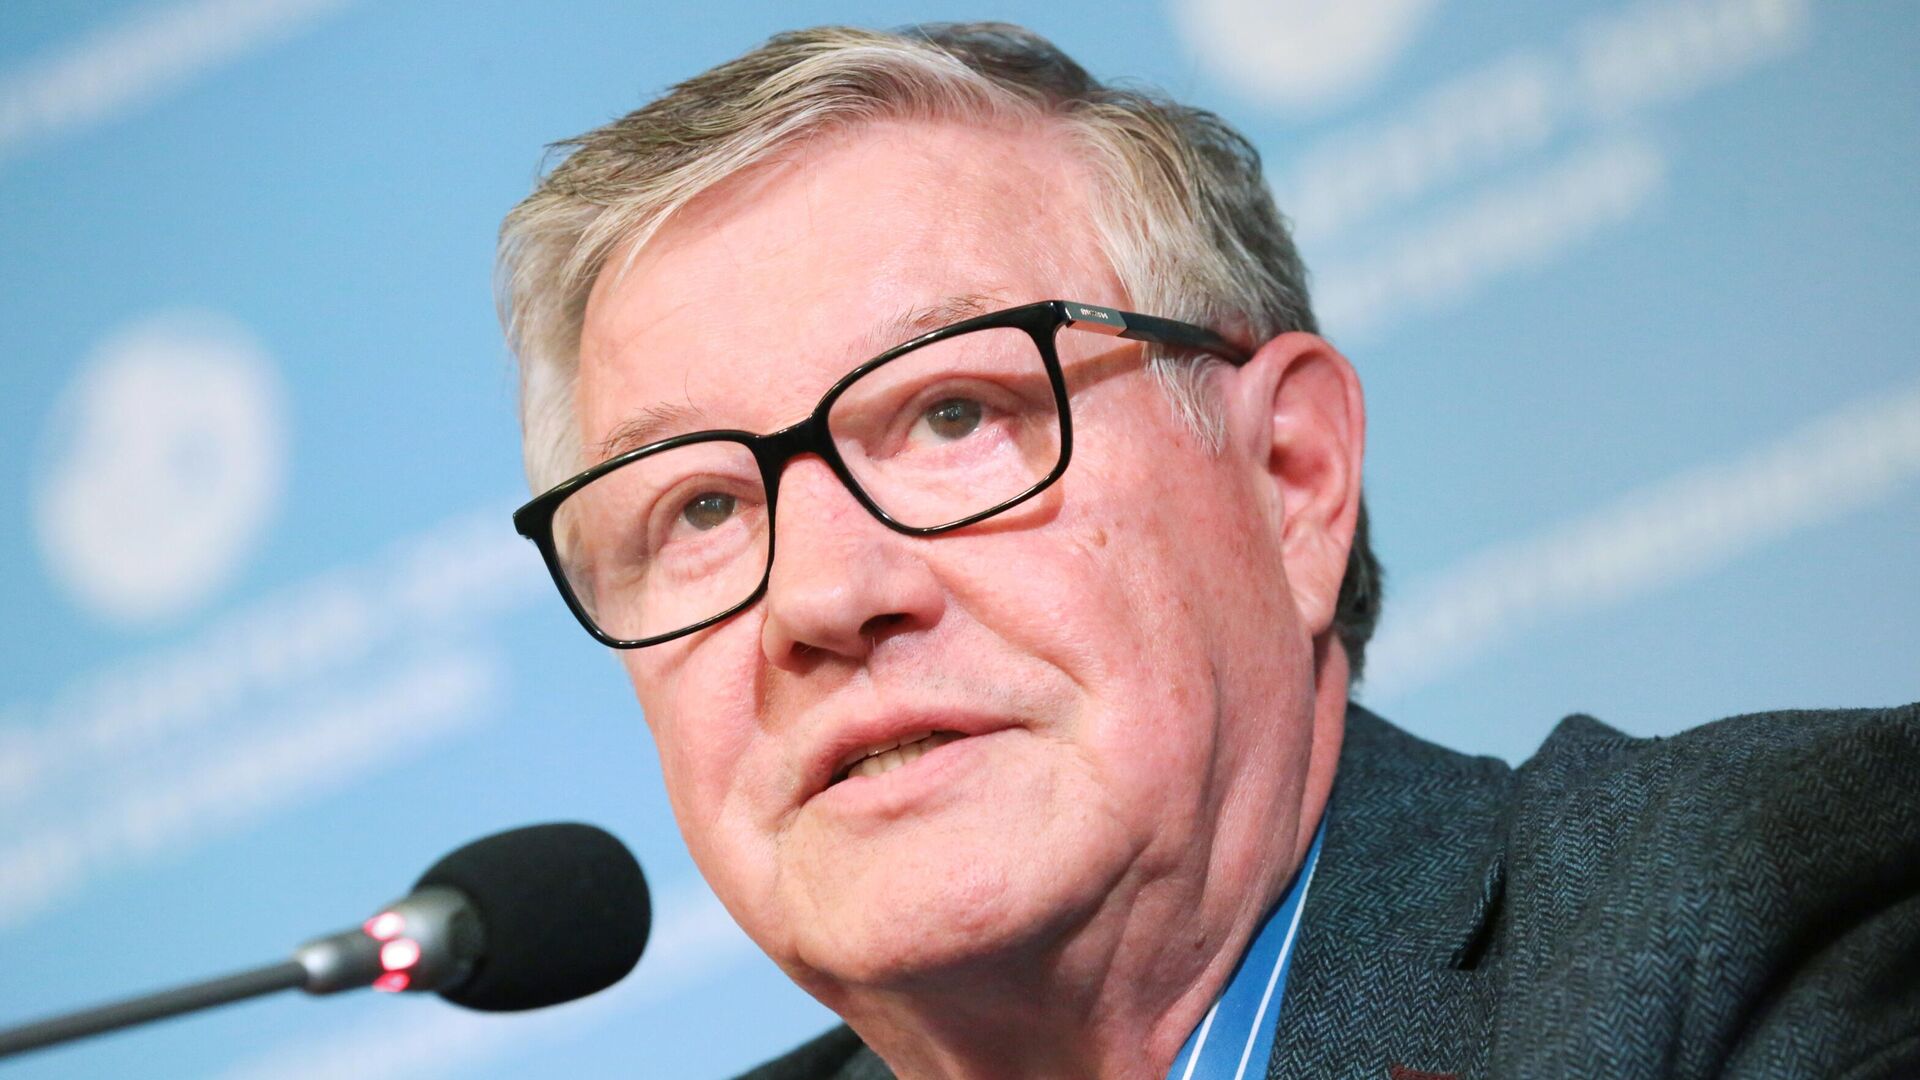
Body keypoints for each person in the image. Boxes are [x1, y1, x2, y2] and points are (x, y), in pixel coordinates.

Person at [495, 22, 1920, 1080]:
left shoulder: (1768, 922)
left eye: (953, 413)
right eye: (699, 509)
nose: (822, 594)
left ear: (1293, 478)